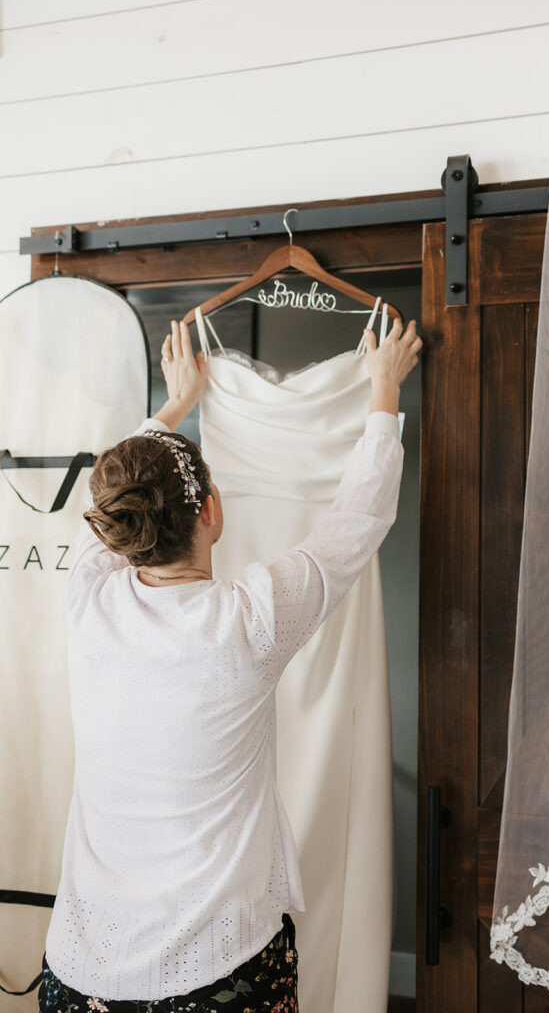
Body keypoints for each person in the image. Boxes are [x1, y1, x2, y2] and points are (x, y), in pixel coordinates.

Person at [38, 316, 422, 1013]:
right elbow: (355, 523)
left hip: (79, 975)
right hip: (218, 979)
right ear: (212, 510)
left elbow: (112, 494)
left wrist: (174, 405)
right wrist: (382, 392)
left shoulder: (87, 596)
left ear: (119, 529)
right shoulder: (249, 620)